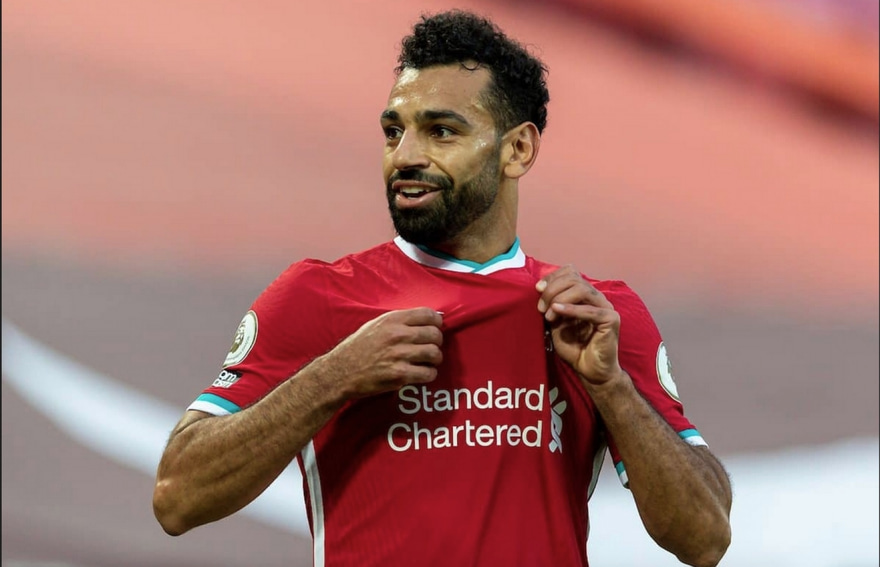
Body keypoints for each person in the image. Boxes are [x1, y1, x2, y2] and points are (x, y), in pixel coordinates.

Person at [152, 9, 732, 567]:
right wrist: (334, 377)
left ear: (518, 149)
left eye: (441, 132)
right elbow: (178, 497)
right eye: (393, 131)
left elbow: (704, 539)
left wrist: (612, 387)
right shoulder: (318, 297)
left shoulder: (590, 317)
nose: (405, 156)